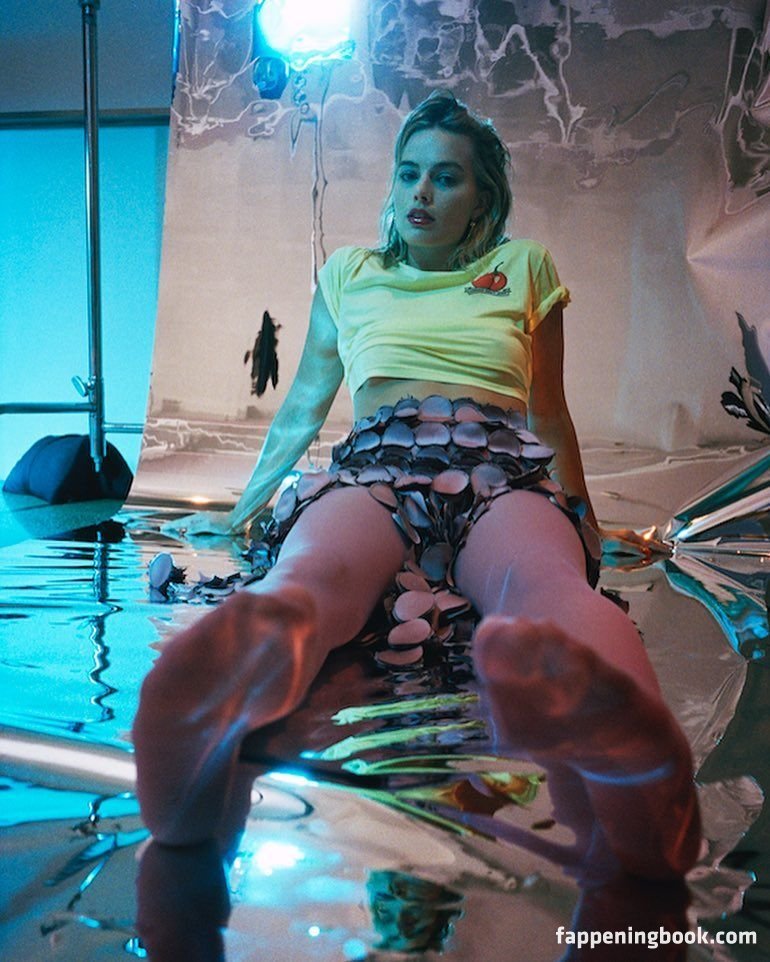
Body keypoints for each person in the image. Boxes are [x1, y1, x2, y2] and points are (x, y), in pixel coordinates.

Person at [132, 91, 700, 880]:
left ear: (482, 199)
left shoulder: (523, 266)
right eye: (409, 174)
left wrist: (586, 521)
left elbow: (549, 410)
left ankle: (629, 756)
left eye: (446, 177)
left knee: (545, 585)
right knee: (311, 578)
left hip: (499, 466)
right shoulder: (349, 273)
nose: (421, 192)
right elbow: (304, 405)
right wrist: (241, 512)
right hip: (375, 466)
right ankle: (233, 673)